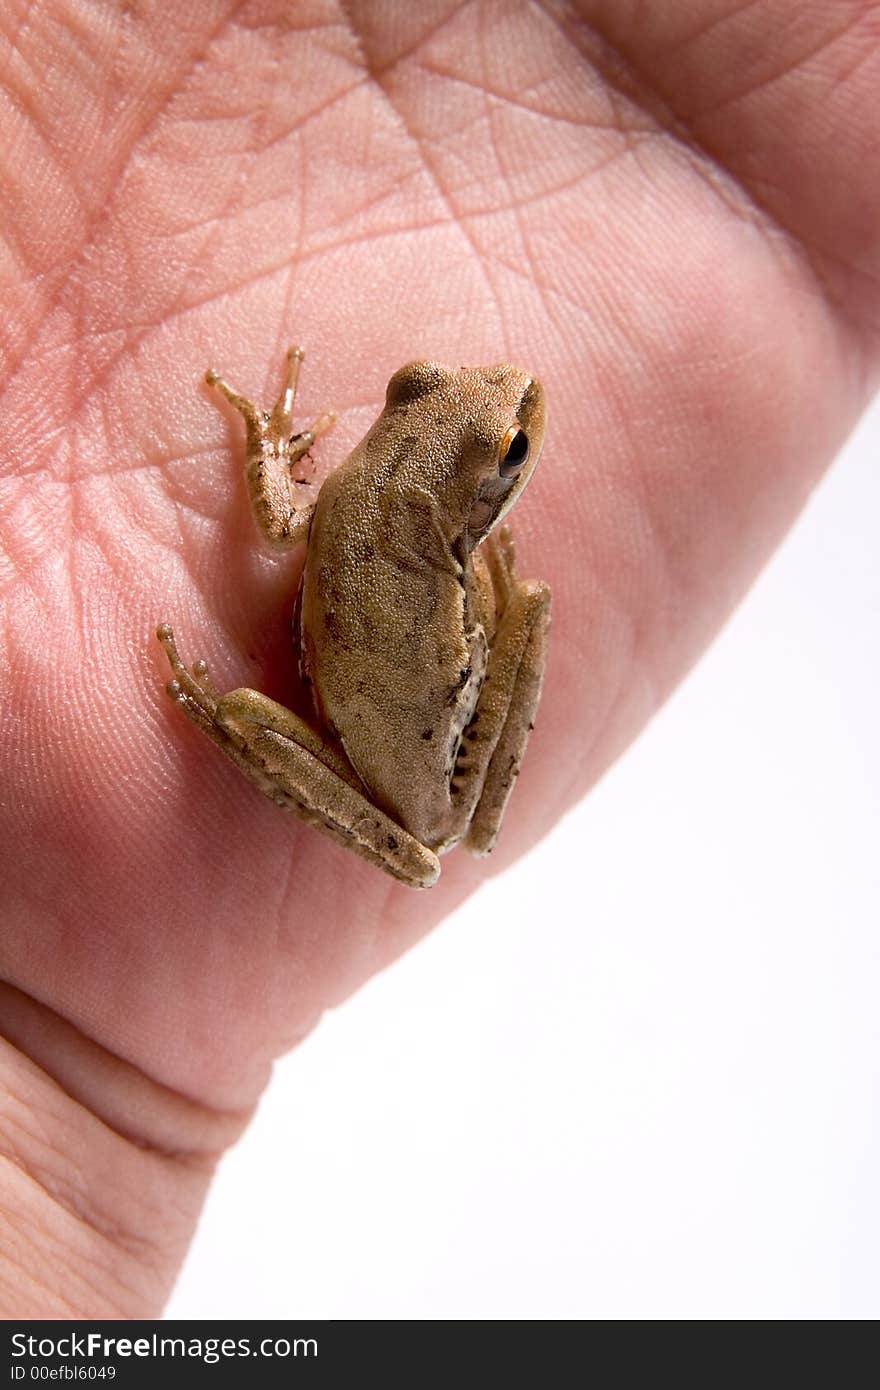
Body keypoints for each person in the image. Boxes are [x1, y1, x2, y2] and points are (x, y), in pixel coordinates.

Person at [1, 0, 877, 1317]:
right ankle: (244, 713)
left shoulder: (378, 502)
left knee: (429, 791)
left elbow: (285, 517)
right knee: (266, 700)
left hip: (419, 768)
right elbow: (300, 527)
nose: (469, 400)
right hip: (361, 721)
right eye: (434, 398)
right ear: (430, 448)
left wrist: (288, 456)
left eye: (498, 452)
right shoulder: (408, 518)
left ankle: (337, 720)